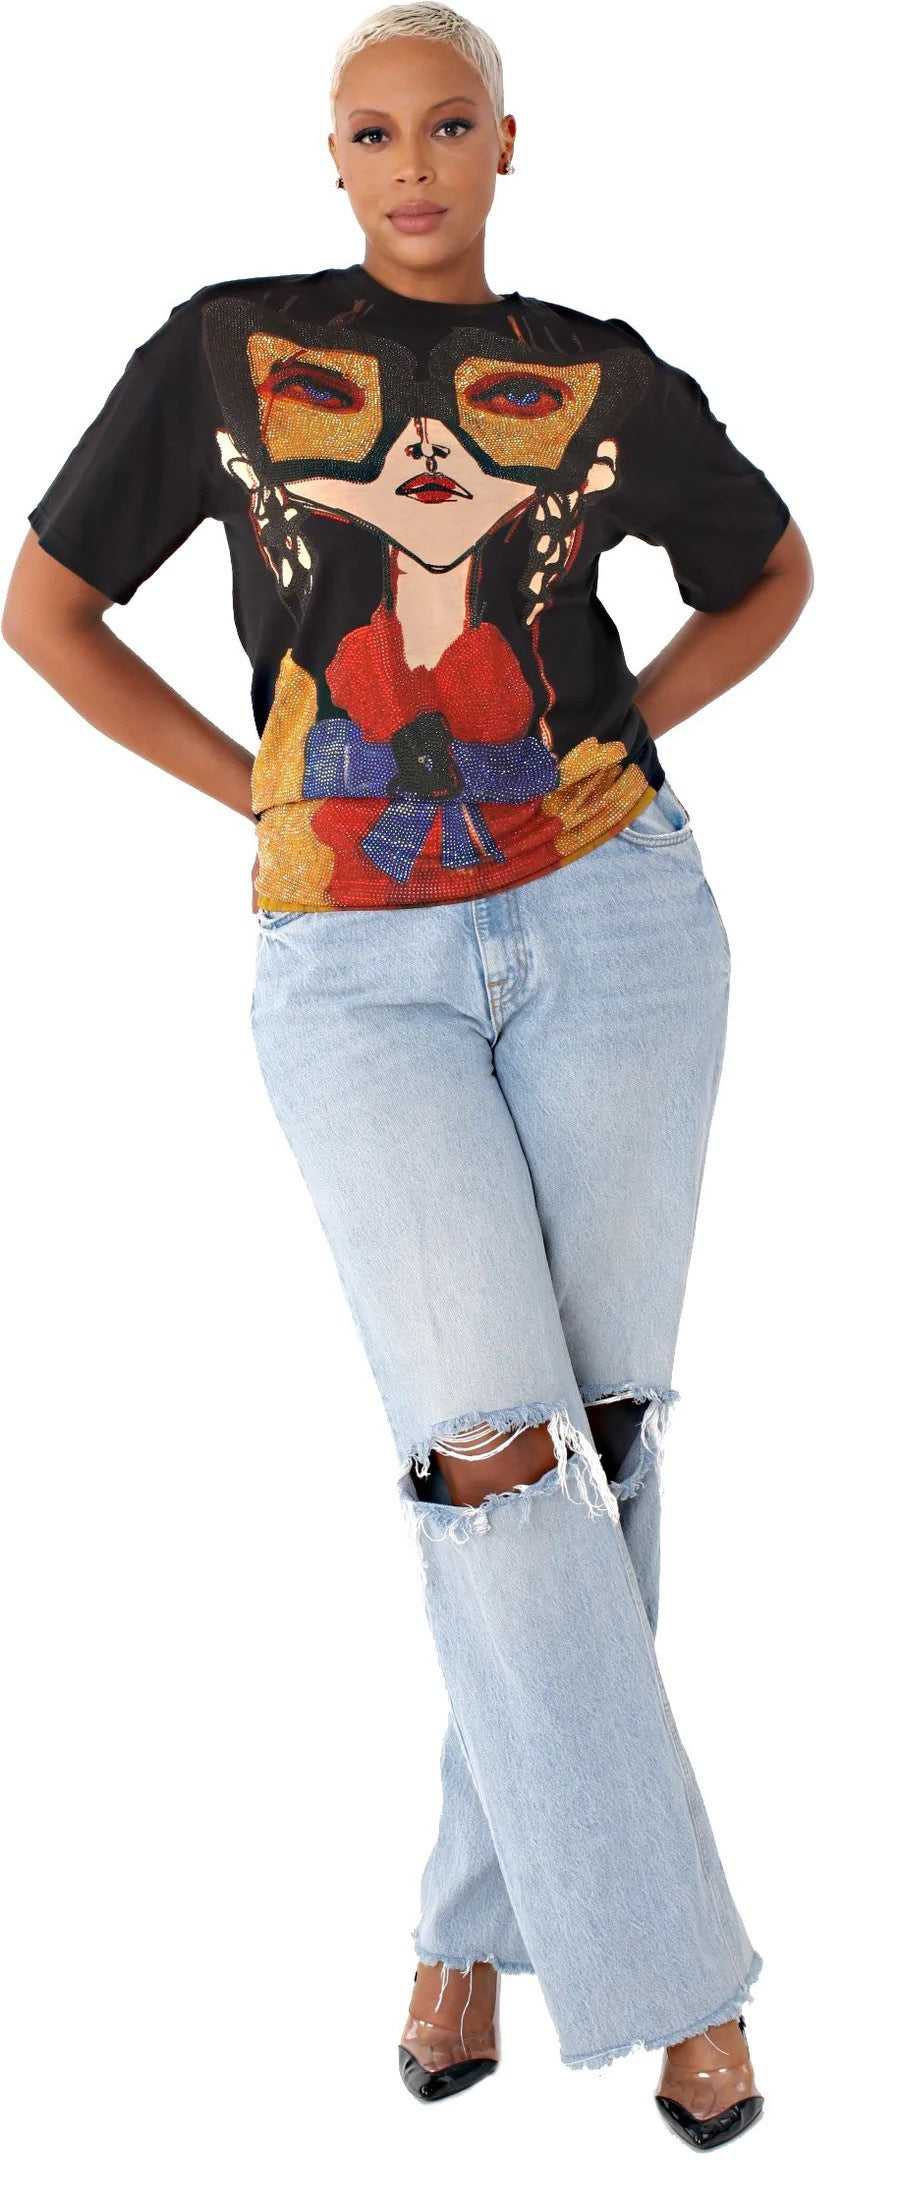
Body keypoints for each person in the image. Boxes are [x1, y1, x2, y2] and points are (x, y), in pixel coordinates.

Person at [2, 0, 813, 2151]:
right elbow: (48, 609)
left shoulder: (599, 376)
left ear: (507, 145)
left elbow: (771, 574)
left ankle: (470, 1920)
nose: (414, 164)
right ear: (334, 158)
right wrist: (250, 795)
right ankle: (683, 1981)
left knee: (597, 1437)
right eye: (374, 132)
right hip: (350, 958)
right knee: (489, 1447)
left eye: (451, 125)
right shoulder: (227, 353)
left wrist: (620, 742)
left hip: (620, 924)